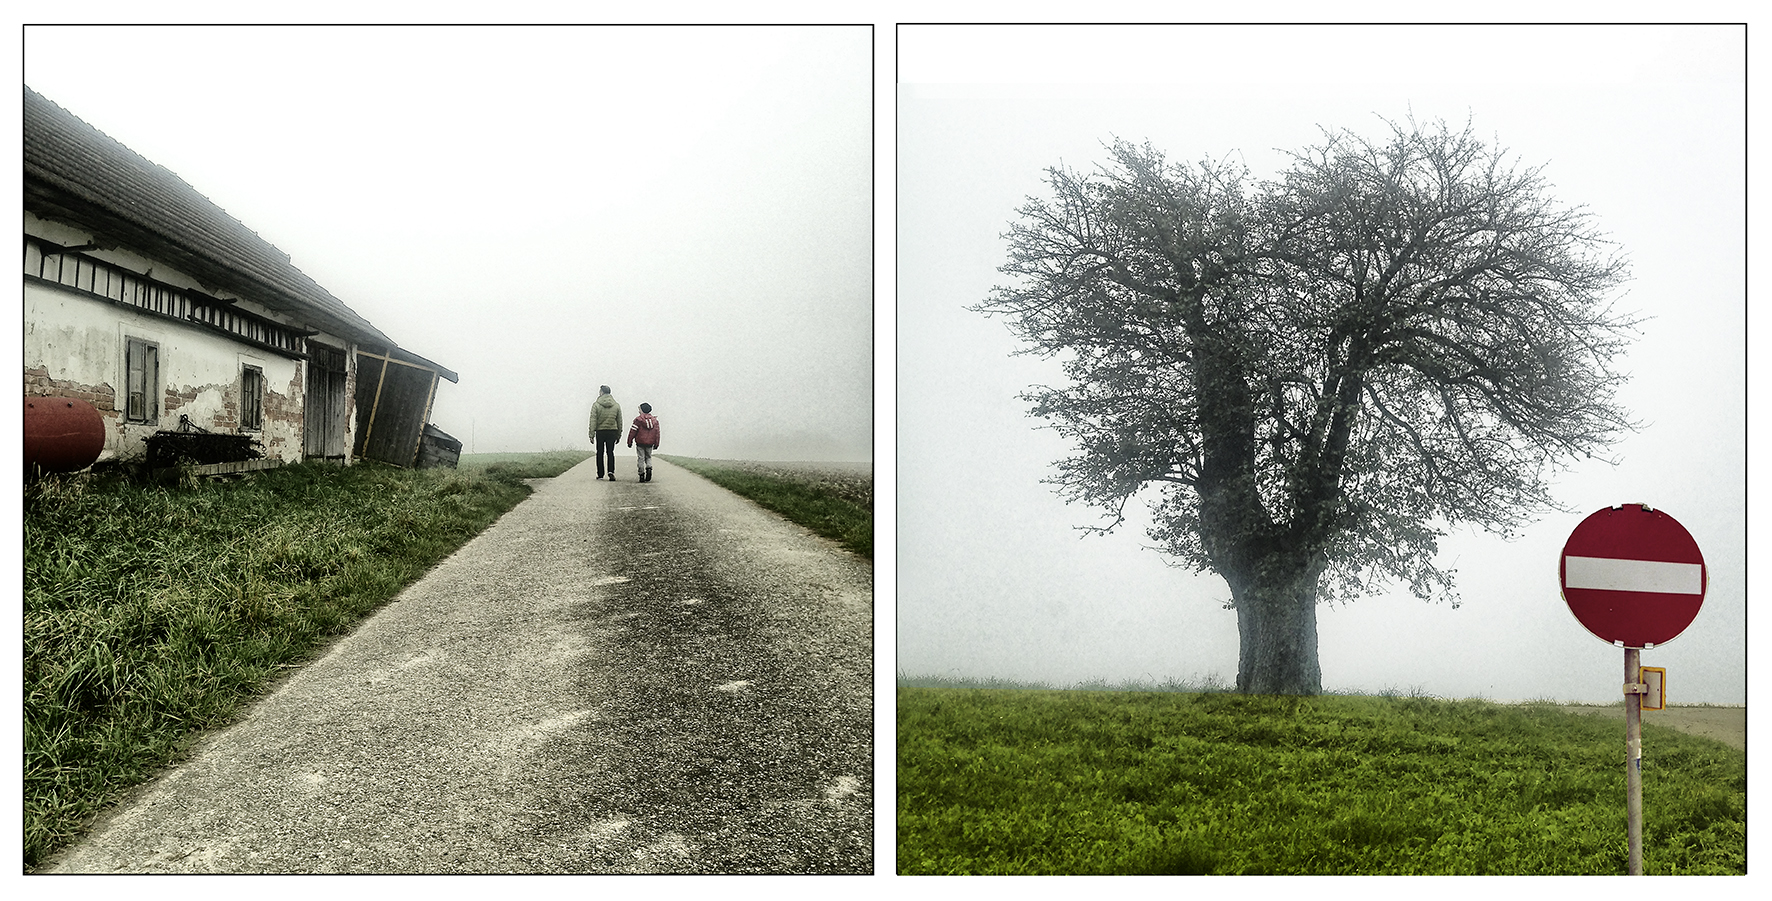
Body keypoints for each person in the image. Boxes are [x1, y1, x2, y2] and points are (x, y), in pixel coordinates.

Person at [588, 386, 623, 480]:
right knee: (610, 452)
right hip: (612, 431)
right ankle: (611, 471)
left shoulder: (596, 405)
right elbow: (619, 421)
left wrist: (591, 434)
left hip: (600, 431)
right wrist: (619, 434)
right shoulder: (616, 405)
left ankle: (600, 474)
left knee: (600, 452)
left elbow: (593, 420)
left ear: (602, 392)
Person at [626, 403, 660, 482]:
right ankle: (649, 468)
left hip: (640, 443)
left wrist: (629, 441)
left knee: (641, 458)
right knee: (648, 457)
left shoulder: (638, 420)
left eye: (639, 409)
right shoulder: (655, 421)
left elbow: (633, 431)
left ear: (642, 410)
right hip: (650, 443)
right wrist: (656, 443)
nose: (638, 411)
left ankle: (641, 474)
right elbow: (657, 433)